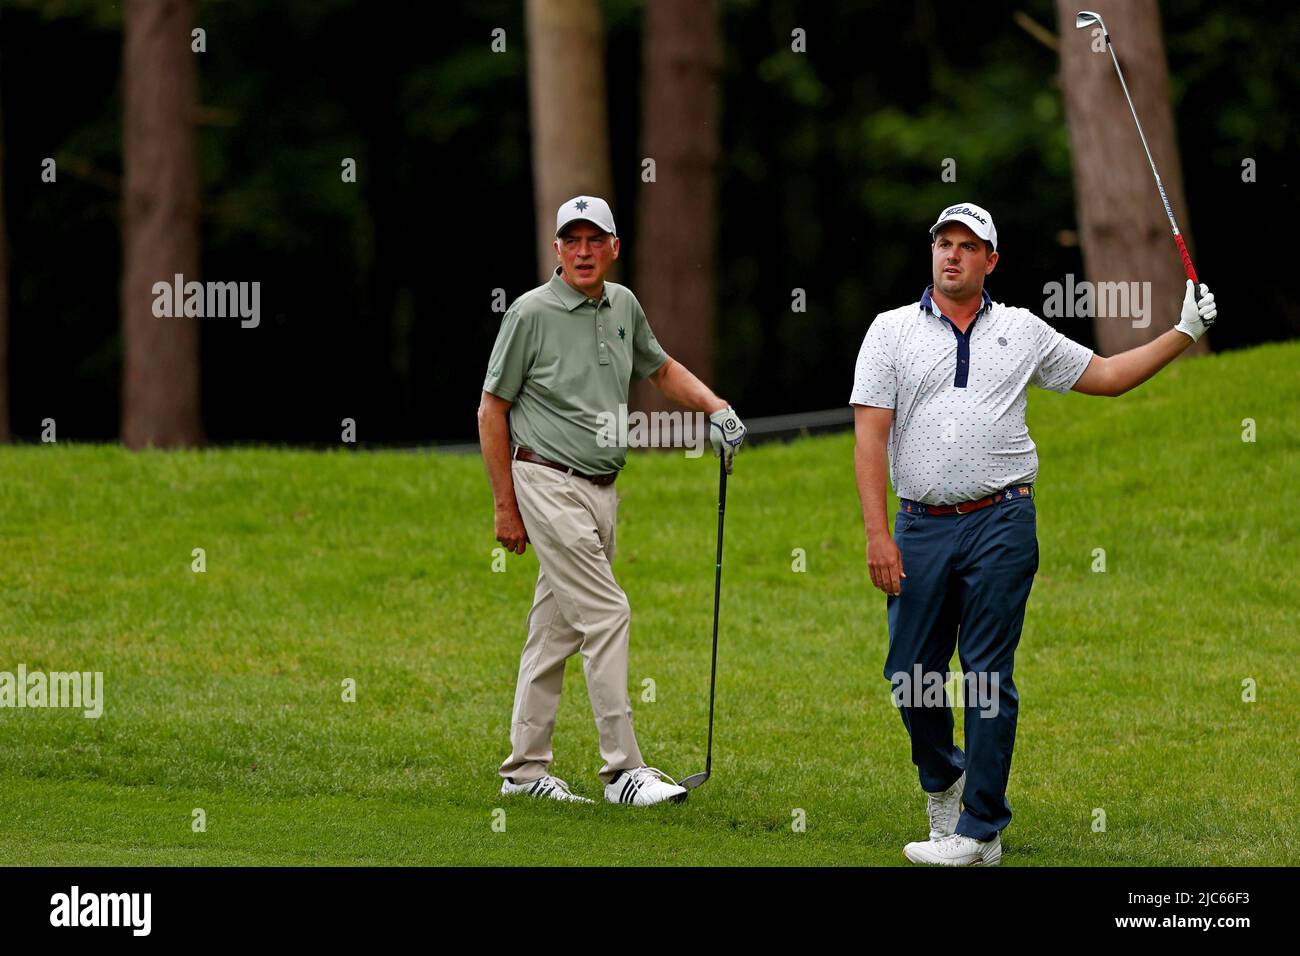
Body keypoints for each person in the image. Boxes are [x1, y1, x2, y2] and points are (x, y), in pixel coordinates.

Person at [849, 202, 1216, 865]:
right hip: (920, 527)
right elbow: (870, 434)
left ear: (991, 260)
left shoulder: (1021, 330)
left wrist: (1183, 332)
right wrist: (879, 534)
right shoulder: (890, 330)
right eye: (943, 243)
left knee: (988, 674)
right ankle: (945, 783)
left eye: (967, 246)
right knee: (910, 675)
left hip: (1002, 521)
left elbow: (1104, 377)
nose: (951, 254)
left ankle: (981, 829)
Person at [478, 195, 747, 806]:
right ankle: (623, 770)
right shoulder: (530, 313)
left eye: (594, 240)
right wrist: (504, 506)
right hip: (544, 480)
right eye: (571, 241)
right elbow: (492, 409)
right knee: (607, 613)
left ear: (613, 247)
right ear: (556, 250)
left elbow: (659, 368)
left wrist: (716, 407)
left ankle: (522, 773)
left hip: (602, 489)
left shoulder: (623, 305)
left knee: (555, 631)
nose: (582, 252)